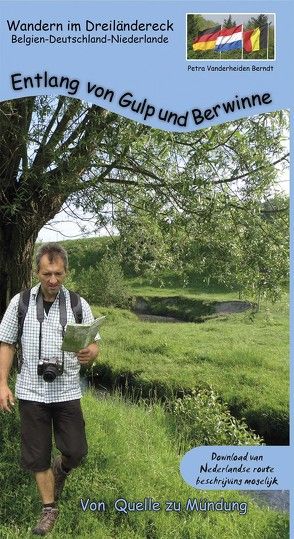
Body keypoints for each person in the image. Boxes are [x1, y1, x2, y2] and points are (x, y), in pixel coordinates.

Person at [0, 243, 99, 536]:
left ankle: (62, 469)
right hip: (31, 391)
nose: (53, 280)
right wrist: (2, 383)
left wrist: (92, 352)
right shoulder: (20, 303)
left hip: (68, 390)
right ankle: (49, 508)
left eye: (58, 273)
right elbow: (6, 342)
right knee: (37, 455)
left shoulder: (79, 305)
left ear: (66, 271)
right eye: (47, 274)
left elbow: (94, 342)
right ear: (37, 272)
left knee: (77, 451)